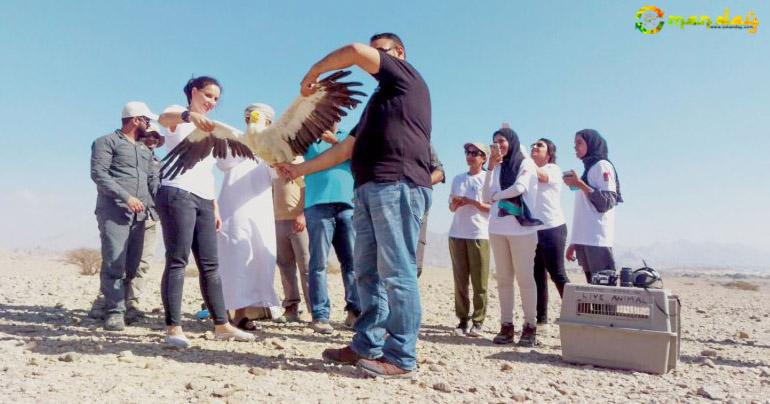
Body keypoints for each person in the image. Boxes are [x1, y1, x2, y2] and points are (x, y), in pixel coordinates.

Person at [277, 32, 432, 378]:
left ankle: (401, 358)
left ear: (399, 54)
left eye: (382, 52)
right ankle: (366, 345)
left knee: (397, 272)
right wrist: (298, 169)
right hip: (367, 190)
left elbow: (354, 52)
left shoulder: (406, 79)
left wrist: (313, 73)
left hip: (398, 185)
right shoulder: (379, 102)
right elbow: (344, 150)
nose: (374, 59)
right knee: (366, 272)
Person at [157, 76, 254, 348]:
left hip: (204, 199)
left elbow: (206, 172)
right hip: (176, 192)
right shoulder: (178, 114)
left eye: (216, 99)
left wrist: (214, 206)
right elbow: (164, 118)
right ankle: (173, 327)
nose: (211, 102)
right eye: (208, 96)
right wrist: (189, 115)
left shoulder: (213, 129)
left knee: (211, 265)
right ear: (195, 91)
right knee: (177, 260)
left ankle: (222, 325)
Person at [89, 101, 159, 331]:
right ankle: (113, 312)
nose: (149, 125)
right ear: (136, 119)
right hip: (115, 211)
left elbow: (152, 181)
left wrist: (160, 207)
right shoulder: (105, 142)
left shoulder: (144, 150)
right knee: (114, 263)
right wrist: (126, 197)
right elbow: (99, 174)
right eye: (147, 120)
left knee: (133, 265)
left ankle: (127, 307)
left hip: (141, 216)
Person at [215, 103, 280, 330]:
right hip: (233, 209)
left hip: (260, 210)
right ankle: (220, 316)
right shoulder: (232, 138)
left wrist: (265, 149)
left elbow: (278, 172)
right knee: (231, 258)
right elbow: (223, 163)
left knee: (256, 258)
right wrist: (247, 144)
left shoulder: (273, 145)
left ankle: (242, 315)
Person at [482, 127, 542, 347]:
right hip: (498, 229)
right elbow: (485, 195)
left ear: (512, 141)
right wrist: (489, 168)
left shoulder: (525, 163)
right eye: (495, 141)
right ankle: (506, 325)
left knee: (525, 279)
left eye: (502, 140)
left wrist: (496, 196)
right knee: (504, 280)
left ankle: (530, 326)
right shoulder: (496, 168)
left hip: (522, 230)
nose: (499, 145)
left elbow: (519, 187)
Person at [303, 123, 360, 334]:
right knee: (318, 262)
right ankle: (320, 315)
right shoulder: (308, 138)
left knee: (352, 261)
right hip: (317, 204)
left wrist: (337, 143)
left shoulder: (349, 137)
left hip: (347, 204)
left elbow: (363, 159)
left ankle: (355, 311)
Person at [563, 129, 623, 282]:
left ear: (591, 144)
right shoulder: (589, 169)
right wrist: (575, 241)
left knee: (603, 290)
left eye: (579, 143)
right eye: (574, 144)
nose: (575, 147)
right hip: (586, 239)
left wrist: (581, 185)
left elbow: (607, 201)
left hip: (597, 239)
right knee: (592, 289)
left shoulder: (602, 166)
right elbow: (583, 210)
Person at [448, 142, 490, 337]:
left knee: (479, 282)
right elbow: (451, 207)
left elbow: (492, 208)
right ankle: (462, 320)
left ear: (484, 158)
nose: (470, 155)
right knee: (460, 281)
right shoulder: (458, 179)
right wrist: (456, 203)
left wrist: (473, 202)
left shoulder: (487, 179)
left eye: (475, 153)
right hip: (457, 234)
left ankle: (478, 321)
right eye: (468, 152)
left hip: (479, 234)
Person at [530, 138, 571, 324]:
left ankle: (576, 312)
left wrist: (523, 157)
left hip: (552, 228)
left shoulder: (553, 169)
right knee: (537, 275)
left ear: (549, 153)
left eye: (539, 145)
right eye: (533, 145)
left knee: (557, 273)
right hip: (533, 230)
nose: (534, 147)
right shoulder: (528, 172)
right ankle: (541, 319)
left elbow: (542, 176)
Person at [272, 155, 312, 324]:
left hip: (298, 222)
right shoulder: (273, 165)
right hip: (277, 221)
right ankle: (291, 308)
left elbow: (308, 189)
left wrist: (303, 215)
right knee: (285, 267)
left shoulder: (303, 162)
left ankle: (313, 310)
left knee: (306, 266)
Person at [416, 144, 445, 278]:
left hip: (416, 205)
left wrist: (420, 184)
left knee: (413, 266)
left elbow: (439, 172)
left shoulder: (422, 142)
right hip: (383, 205)